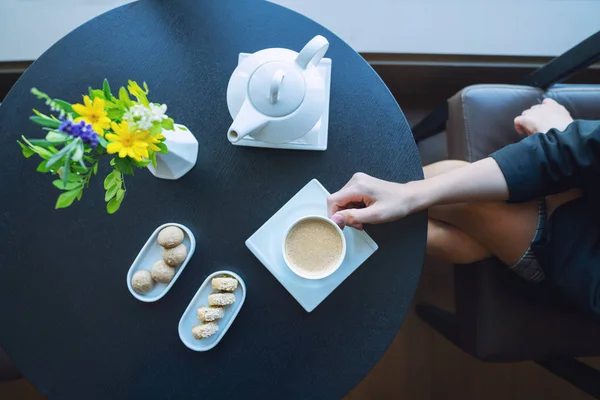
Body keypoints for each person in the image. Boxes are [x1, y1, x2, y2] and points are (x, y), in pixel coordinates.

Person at [327, 99, 600, 315]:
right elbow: (581, 149)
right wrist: (571, 142)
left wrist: (564, 138)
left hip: (584, 261)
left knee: (465, 203)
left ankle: (343, 231)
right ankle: (351, 235)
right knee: (465, 233)